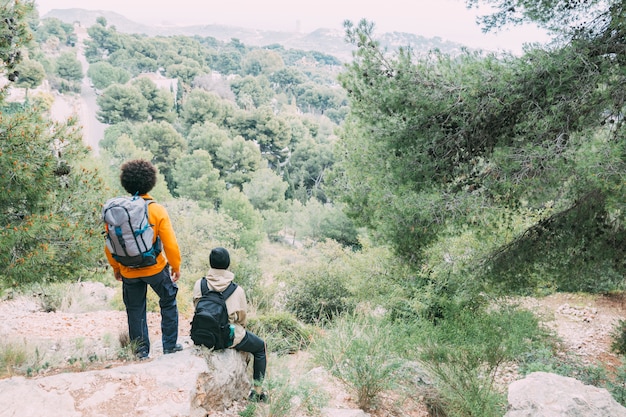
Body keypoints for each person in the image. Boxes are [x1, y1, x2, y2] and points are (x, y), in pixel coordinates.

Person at [104, 159, 183, 359]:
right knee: (168, 301)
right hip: (155, 269)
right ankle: (170, 346)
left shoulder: (118, 211)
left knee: (135, 310)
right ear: (151, 182)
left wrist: (116, 267)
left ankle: (140, 352)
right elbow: (170, 244)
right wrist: (176, 266)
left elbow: (109, 242)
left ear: (126, 183)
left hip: (128, 270)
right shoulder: (156, 209)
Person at [193, 247, 268, 402]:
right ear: (227, 264)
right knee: (260, 347)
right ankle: (257, 391)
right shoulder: (237, 290)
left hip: (203, 335)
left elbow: (197, 309)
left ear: (210, 262)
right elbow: (241, 319)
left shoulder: (199, 284)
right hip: (228, 337)